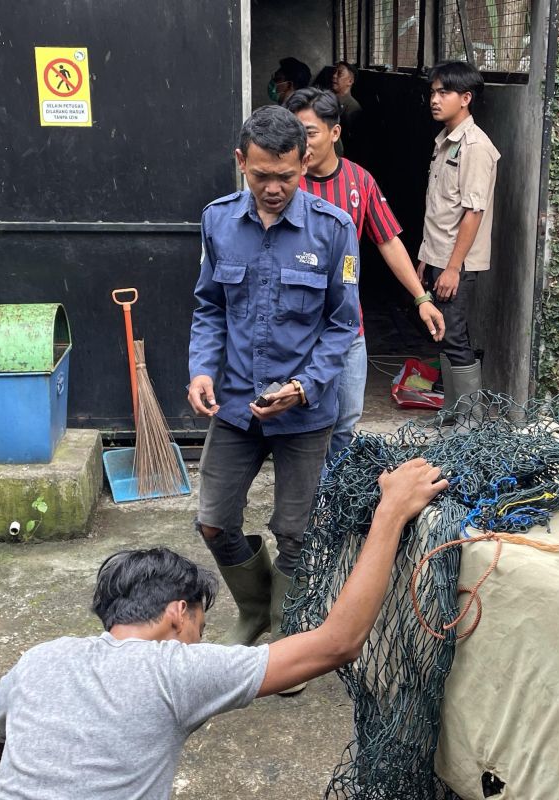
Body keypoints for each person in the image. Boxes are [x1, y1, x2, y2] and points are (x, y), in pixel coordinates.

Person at [0, 459, 449, 800]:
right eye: (200, 626)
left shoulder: (44, 657)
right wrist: (391, 513)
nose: (199, 639)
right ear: (177, 612)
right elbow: (338, 643)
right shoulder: (175, 670)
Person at [185, 105, 359, 690]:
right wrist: (200, 370)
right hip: (234, 404)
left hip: (305, 413)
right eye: (262, 176)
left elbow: (342, 326)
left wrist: (305, 385)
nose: (275, 187)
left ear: (305, 162)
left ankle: (286, 630)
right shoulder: (217, 223)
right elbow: (209, 305)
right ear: (241, 163)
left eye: (287, 175)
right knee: (213, 521)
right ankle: (256, 611)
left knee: (296, 531)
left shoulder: (334, 231)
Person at [285, 87, 445, 459]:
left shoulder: (359, 182)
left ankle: (334, 495)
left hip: (346, 326)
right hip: (295, 326)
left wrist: (421, 298)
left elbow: (388, 241)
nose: (300, 143)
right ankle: (303, 496)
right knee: (302, 421)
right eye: (293, 133)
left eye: (308, 133)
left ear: (334, 133)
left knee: (345, 419)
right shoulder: (284, 183)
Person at [415, 61, 499, 416]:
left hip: (456, 263)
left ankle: (470, 420)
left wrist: (451, 268)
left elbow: (473, 213)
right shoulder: (444, 142)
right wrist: (424, 257)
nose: (435, 99)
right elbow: (438, 209)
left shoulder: (475, 147)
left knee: (453, 334)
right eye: (433, 92)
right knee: (441, 333)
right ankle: (452, 411)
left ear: (465, 98)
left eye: (443, 93)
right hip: (437, 256)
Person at [331, 60, 362, 157]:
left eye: (339, 73)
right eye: (335, 72)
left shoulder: (352, 107)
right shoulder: (329, 101)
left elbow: (354, 143)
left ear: (350, 81)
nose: (334, 76)